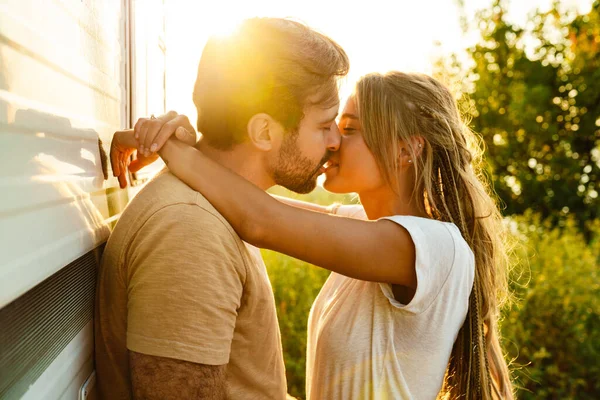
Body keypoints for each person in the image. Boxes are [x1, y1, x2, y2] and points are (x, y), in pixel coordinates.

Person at [124, 71, 515, 399]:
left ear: (405, 150)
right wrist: (187, 144)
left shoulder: (434, 247)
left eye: (349, 129)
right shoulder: (364, 227)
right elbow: (244, 198)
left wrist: (175, 150)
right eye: (330, 127)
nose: (333, 142)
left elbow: (260, 220)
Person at [95, 17, 349, 399]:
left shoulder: (219, 209)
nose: (335, 141)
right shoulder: (190, 232)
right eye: (324, 125)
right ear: (264, 132)